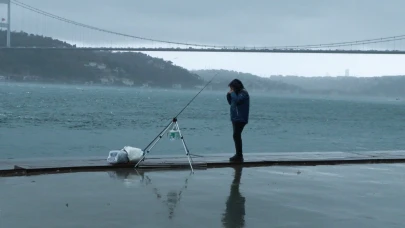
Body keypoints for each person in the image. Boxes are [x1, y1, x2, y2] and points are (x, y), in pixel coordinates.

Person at [226, 79, 250, 162]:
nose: (231, 90)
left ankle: (239, 155)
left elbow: (237, 101)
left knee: (236, 135)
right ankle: (238, 155)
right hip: (235, 118)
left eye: (232, 88)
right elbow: (231, 102)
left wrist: (232, 93)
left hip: (241, 118)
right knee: (236, 136)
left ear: (236, 87)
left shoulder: (243, 93)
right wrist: (228, 95)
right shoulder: (236, 94)